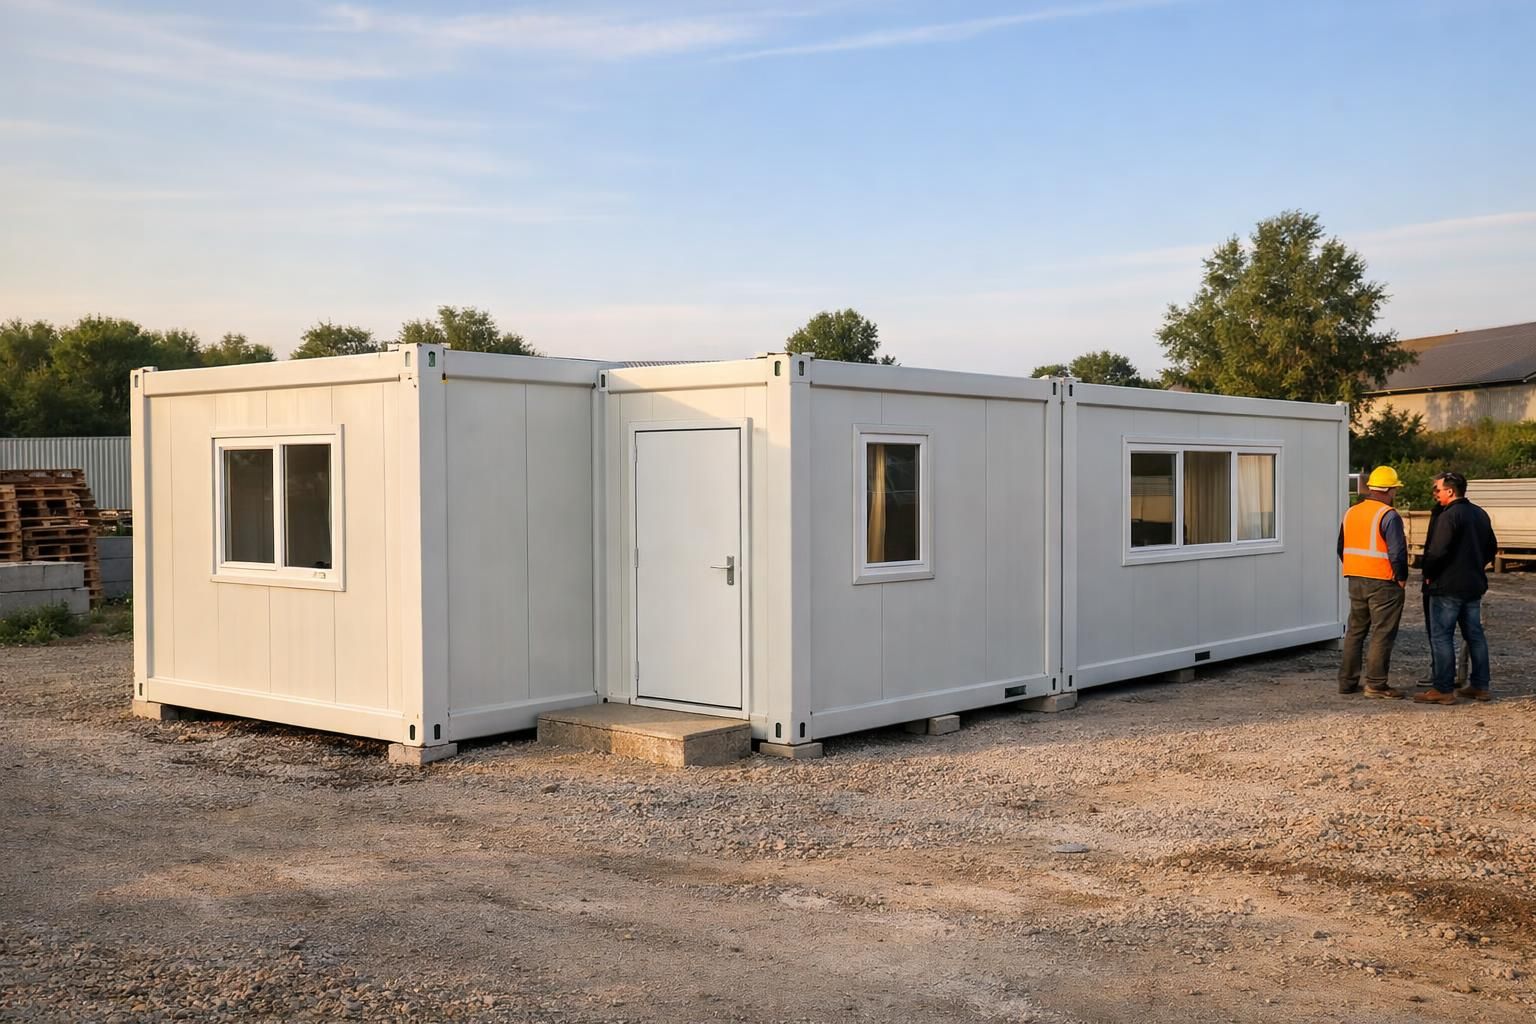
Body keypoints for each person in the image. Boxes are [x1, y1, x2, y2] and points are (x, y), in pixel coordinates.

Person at [1416, 472, 1498, 704]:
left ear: (1450, 491)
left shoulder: (1449, 516)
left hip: (1447, 586)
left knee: (1441, 636)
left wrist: (1429, 574)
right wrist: (1475, 566)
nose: (1435, 494)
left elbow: (1437, 551)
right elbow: (1492, 546)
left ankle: (1443, 689)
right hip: (1473, 585)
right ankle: (1480, 686)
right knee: (1475, 635)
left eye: (1437, 489)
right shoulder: (1479, 514)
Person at [1337, 466, 1410, 698]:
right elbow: (1397, 553)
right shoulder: (1388, 515)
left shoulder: (1352, 512)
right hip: (1383, 582)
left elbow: (1341, 547)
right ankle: (1376, 684)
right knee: (1382, 632)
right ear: (1389, 490)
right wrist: (1401, 578)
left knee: (1355, 632)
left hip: (1355, 579)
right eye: (1395, 489)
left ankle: (1347, 682)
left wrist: (1356, 568)